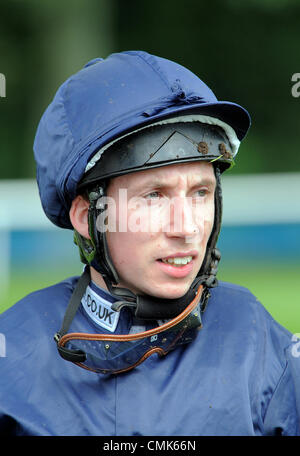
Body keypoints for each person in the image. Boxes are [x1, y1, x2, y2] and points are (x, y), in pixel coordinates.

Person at [0, 51, 299, 437]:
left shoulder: (261, 345)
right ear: (85, 217)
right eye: (154, 196)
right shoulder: (11, 357)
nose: (187, 226)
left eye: (200, 192)